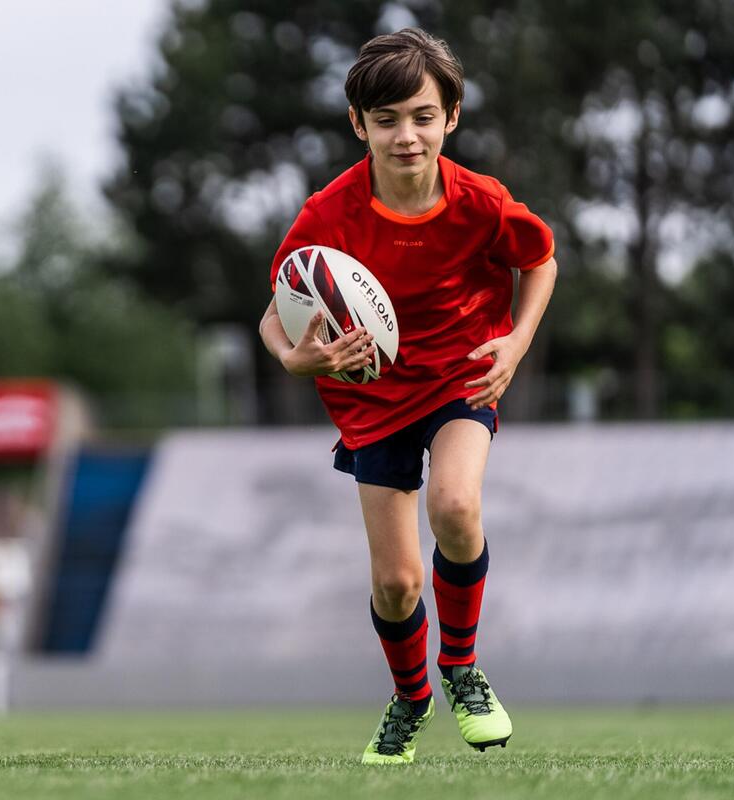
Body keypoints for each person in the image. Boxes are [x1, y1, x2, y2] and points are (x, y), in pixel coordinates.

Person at [259, 27, 557, 765]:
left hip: (461, 378)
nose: (406, 135)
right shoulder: (328, 215)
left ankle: (459, 668)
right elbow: (276, 311)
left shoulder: (481, 202)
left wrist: (515, 344)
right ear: (358, 124)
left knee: (455, 504)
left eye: (423, 116)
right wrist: (297, 358)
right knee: (396, 583)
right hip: (371, 401)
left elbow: (542, 258)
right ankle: (410, 696)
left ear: (451, 117)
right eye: (386, 119)